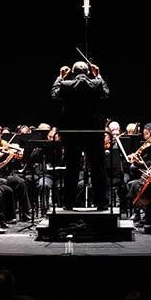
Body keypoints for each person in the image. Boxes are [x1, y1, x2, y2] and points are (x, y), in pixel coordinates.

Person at [50, 60, 110, 210]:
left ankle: (68, 203)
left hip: (72, 134)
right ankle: (101, 203)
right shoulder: (96, 84)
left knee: (72, 168)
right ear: (88, 72)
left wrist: (60, 77)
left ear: (73, 72)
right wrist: (98, 75)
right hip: (93, 133)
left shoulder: (65, 85)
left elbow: (54, 94)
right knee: (97, 167)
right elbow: (106, 93)